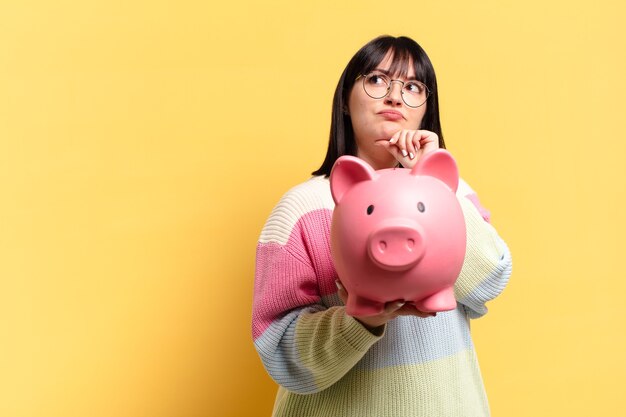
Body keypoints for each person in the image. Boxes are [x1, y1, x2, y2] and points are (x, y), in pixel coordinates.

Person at [252, 35, 512, 417]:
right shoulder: (301, 208)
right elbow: (279, 351)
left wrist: (432, 181)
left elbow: (490, 283)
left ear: (427, 109)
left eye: (412, 87)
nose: (394, 98)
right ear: (345, 98)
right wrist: (361, 320)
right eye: (376, 80)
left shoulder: (452, 194)